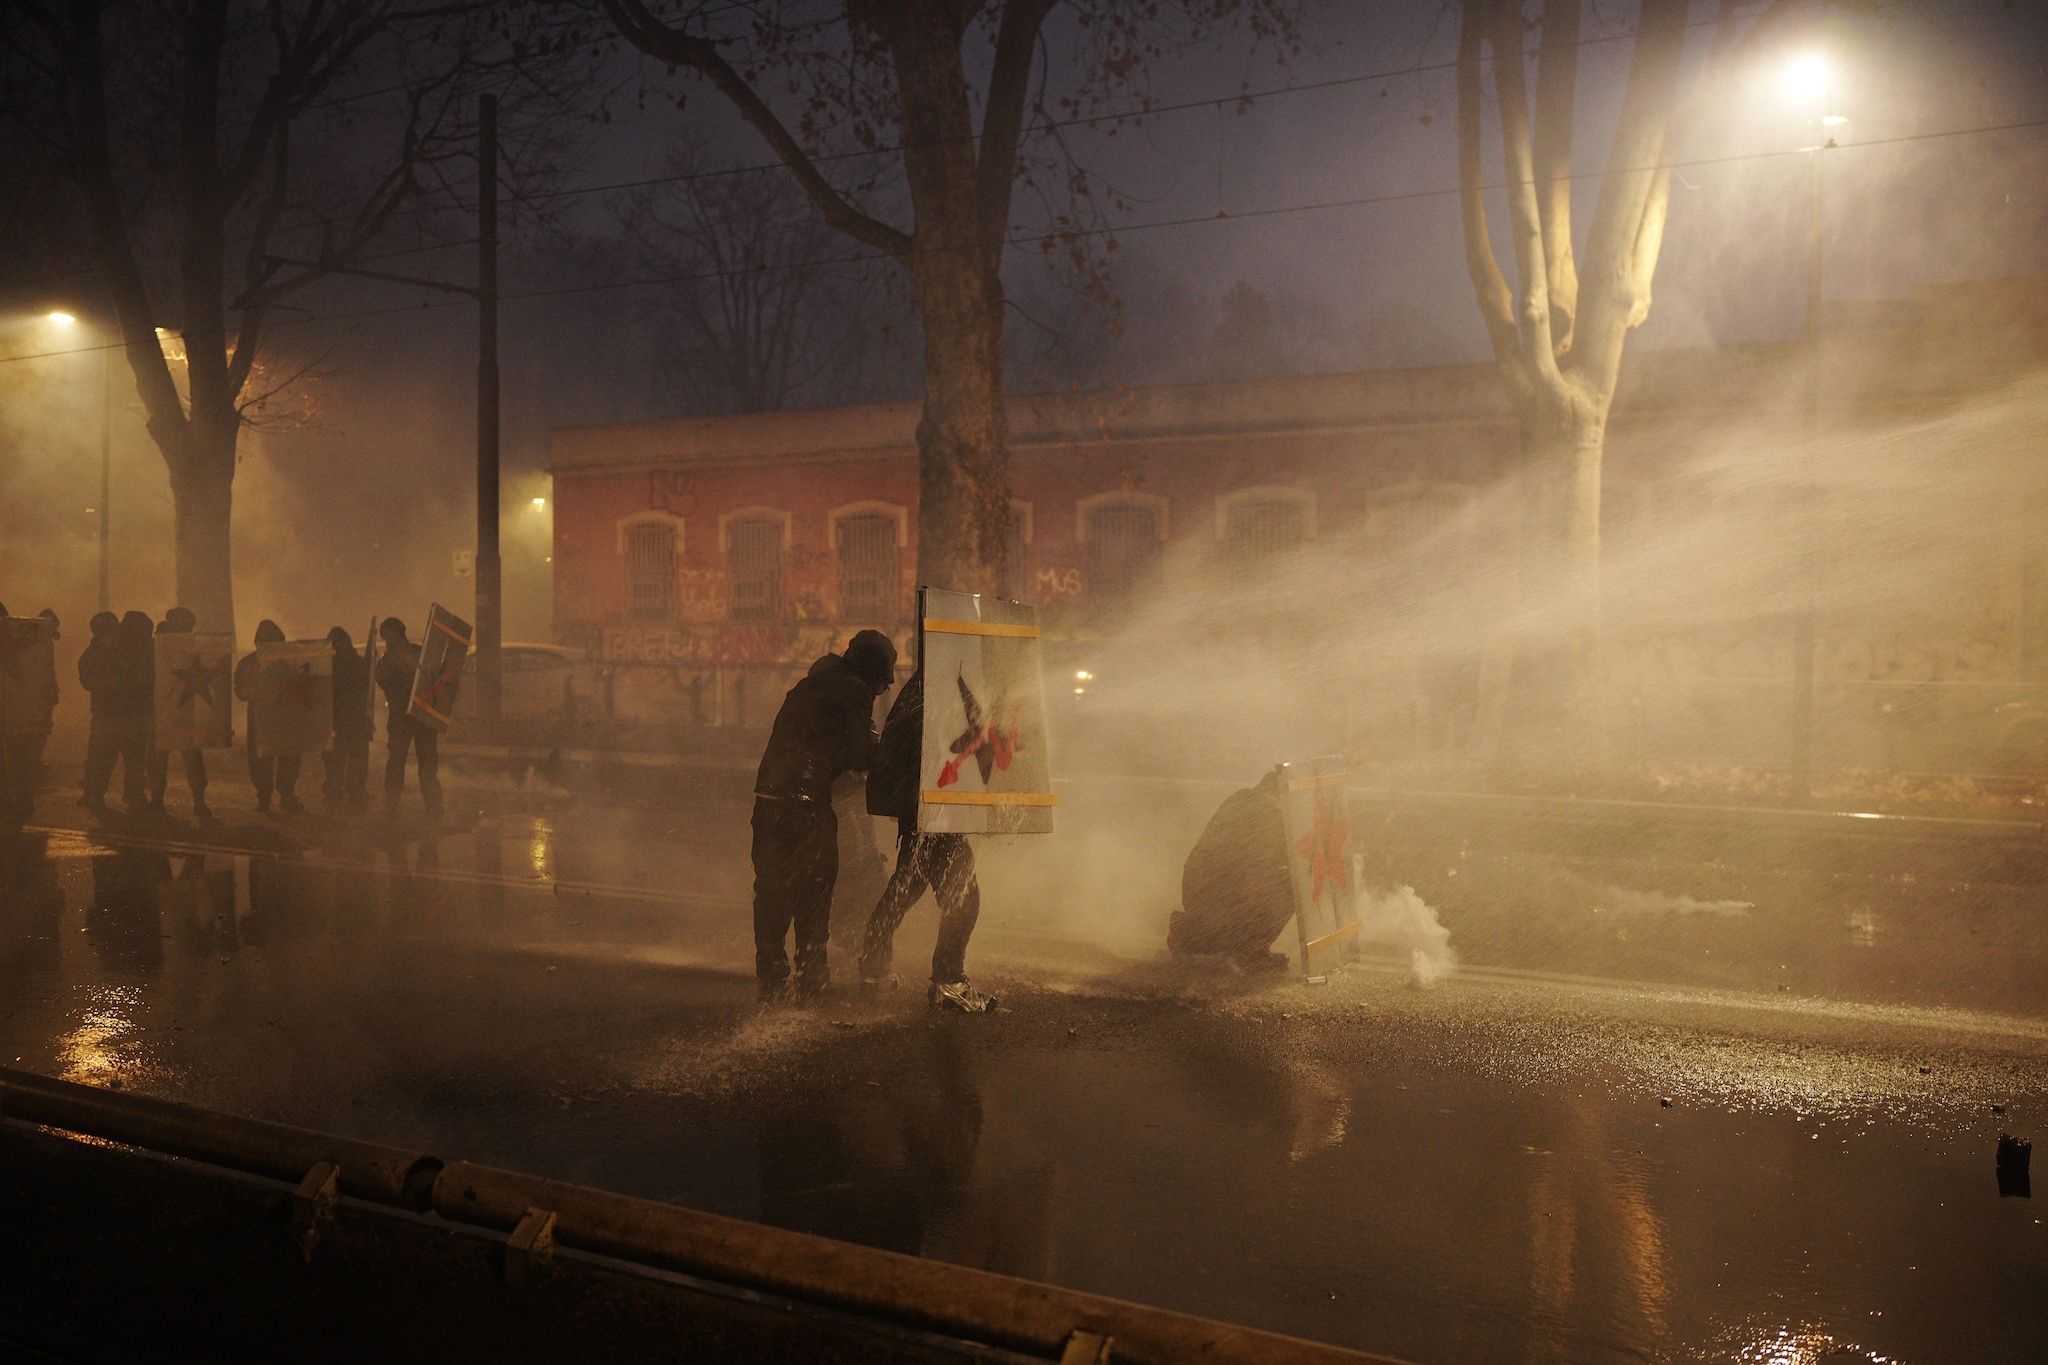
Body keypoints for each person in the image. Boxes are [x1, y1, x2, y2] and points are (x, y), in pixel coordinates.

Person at [750, 628, 897, 1003]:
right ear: (872, 669)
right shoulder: (853, 690)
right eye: (886, 673)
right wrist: (893, 748)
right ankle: (812, 978)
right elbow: (857, 752)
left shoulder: (812, 685)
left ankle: (771, 979)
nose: (890, 682)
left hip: (769, 802)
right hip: (806, 805)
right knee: (815, 890)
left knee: (772, 891)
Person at [859, 667, 995, 1013]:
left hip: (922, 811)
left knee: (902, 892)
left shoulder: (927, 685)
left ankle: (873, 971)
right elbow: (945, 749)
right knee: (964, 899)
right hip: (937, 813)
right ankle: (949, 982)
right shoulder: (942, 684)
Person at [1168, 769, 1295, 975]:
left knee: (1276, 885)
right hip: (1218, 887)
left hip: (1204, 884)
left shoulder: (1243, 797)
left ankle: (1243, 946)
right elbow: (1266, 860)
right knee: (1290, 884)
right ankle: (1192, 936)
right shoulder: (1269, 807)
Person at [79, 612, 152, 815]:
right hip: (110, 712)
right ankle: (94, 794)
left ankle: (132, 794)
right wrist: (106, 685)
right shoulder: (102, 649)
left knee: (133, 759)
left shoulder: (139, 648)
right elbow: (87, 675)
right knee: (104, 756)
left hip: (131, 712)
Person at [144, 606, 212, 820]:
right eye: (185, 625)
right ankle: (159, 798)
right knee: (160, 757)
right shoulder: (155, 647)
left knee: (188, 757)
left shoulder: (190, 647)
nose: (188, 629)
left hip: (181, 711)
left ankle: (198, 801)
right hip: (162, 710)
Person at [233, 620, 303, 814]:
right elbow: (238, 688)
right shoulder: (248, 663)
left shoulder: (291, 661)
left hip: (286, 717)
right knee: (261, 758)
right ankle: (264, 797)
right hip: (260, 718)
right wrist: (247, 692)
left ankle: (286, 795)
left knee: (289, 756)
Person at [0, 607, 60, 826]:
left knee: (15, 761)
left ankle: (17, 801)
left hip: (14, 714)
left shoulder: (14, 641)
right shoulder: (33, 642)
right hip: (24, 713)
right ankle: (20, 801)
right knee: (19, 760)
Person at [374, 617, 440, 815]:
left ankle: (396, 801)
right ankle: (430, 803)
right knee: (419, 759)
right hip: (414, 715)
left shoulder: (393, 659)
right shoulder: (416, 653)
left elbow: (382, 680)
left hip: (408, 715)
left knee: (404, 759)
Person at [323, 626, 372, 811]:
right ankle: (340, 791)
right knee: (337, 760)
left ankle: (350, 790)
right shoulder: (330, 665)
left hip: (350, 720)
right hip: (339, 720)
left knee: (351, 760)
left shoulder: (356, 664)